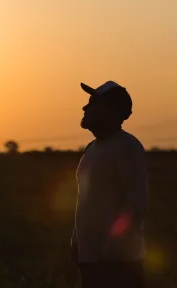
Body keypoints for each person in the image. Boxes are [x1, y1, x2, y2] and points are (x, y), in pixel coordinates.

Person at [71, 81, 149, 288]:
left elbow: (137, 203)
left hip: (118, 262)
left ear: (109, 111)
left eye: (92, 103)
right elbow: (86, 200)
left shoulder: (128, 146)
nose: (85, 108)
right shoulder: (92, 148)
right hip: (91, 259)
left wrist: (112, 248)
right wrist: (76, 240)